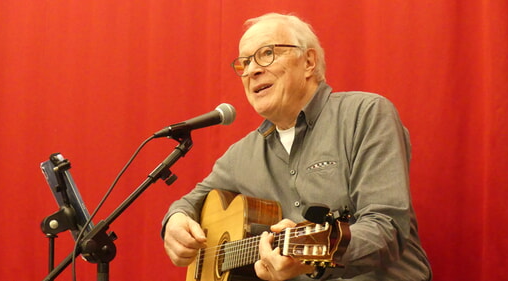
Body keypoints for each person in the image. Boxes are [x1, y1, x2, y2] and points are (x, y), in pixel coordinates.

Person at [162, 12, 432, 281]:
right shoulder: (241, 155)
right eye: (244, 63)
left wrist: (313, 260)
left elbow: (387, 228)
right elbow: (189, 203)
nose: (252, 70)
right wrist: (175, 220)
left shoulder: (365, 115)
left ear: (309, 62)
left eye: (266, 54)